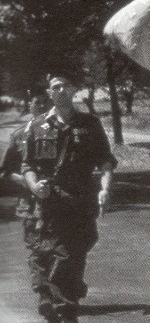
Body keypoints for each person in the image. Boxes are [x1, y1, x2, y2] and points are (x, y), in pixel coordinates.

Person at [21, 73, 117, 323]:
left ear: (74, 90)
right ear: (50, 93)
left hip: (82, 198)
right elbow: (27, 165)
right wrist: (34, 186)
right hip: (51, 199)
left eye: (66, 86)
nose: (61, 90)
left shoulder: (90, 123)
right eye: (56, 87)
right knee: (60, 251)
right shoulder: (37, 125)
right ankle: (65, 304)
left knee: (80, 247)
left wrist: (105, 188)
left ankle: (57, 294)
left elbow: (105, 160)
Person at [0, 84, 50, 241]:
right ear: (30, 105)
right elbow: (5, 170)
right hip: (31, 203)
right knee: (37, 249)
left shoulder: (63, 132)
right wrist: (25, 181)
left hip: (60, 200)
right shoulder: (19, 135)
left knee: (64, 249)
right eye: (37, 102)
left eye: (45, 102)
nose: (42, 106)